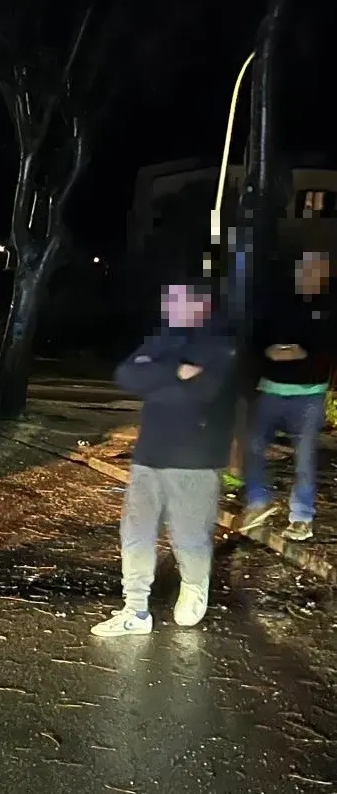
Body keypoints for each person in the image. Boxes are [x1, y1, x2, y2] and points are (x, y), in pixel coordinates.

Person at [91, 278, 237, 637]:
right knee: (136, 532)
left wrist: (153, 371)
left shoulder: (220, 341)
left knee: (189, 534)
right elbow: (126, 374)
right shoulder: (162, 338)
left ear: (201, 303)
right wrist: (175, 371)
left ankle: (194, 584)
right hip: (149, 453)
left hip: (195, 457)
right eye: (168, 299)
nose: (169, 306)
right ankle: (135, 610)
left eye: (177, 299)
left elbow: (207, 389)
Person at [241, 250, 333, 541]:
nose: (308, 276)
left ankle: (302, 517)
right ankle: (258, 502)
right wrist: (269, 353)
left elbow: (325, 349)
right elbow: (258, 340)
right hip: (271, 389)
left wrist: (302, 354)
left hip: (309, 394)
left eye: (315, 270)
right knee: (253, 445)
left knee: (304, 458)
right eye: (304, 269)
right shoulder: (279, 305)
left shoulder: (328, 308)